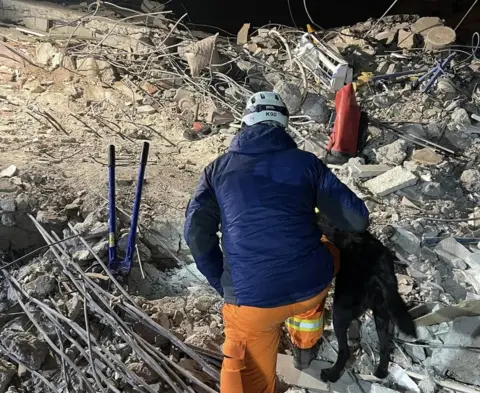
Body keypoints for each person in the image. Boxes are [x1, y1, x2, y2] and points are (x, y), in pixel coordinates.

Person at [184, 91, 369, 393]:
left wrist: (224, 284)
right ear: (284, 125)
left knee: (247, 382)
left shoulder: (217, 170)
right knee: (324, 252)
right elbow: (356, 219)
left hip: (252, 302)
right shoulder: (307, 163)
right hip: (311, 283)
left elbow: (195, 234)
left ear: (245, 123)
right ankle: (305, 349)